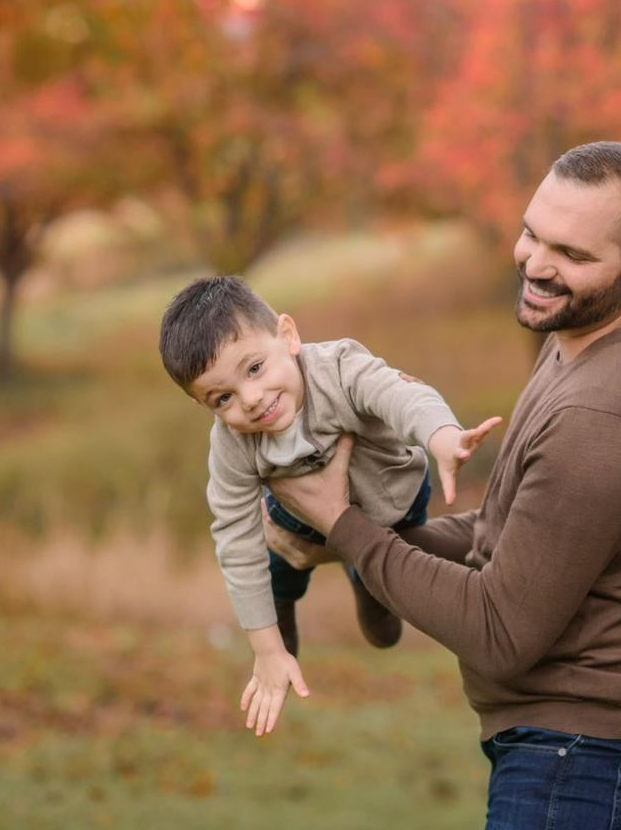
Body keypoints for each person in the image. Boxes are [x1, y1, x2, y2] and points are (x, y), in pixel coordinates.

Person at [267, 141, 621, 829]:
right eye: (532, 232)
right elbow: (500, 533)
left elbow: (500, 631)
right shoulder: (584, 343)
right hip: (578, 749)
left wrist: (345, 526)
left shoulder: (601, 416)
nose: (535, 263)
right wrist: (363, 534)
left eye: (570, 252)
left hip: (589, 759)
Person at [157, 277, 500, 737]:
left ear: (288, 336)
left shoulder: (339, 369)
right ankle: (282, 647)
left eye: (254, 368)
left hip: (386, 509)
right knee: (274, 571)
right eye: (223, 398)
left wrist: (442, 435)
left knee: (385, 597)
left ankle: (370, 583)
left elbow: (400, 396)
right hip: (293, 527)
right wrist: (264, 647)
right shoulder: (231, 445)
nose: (251, 399)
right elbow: (235, 540)